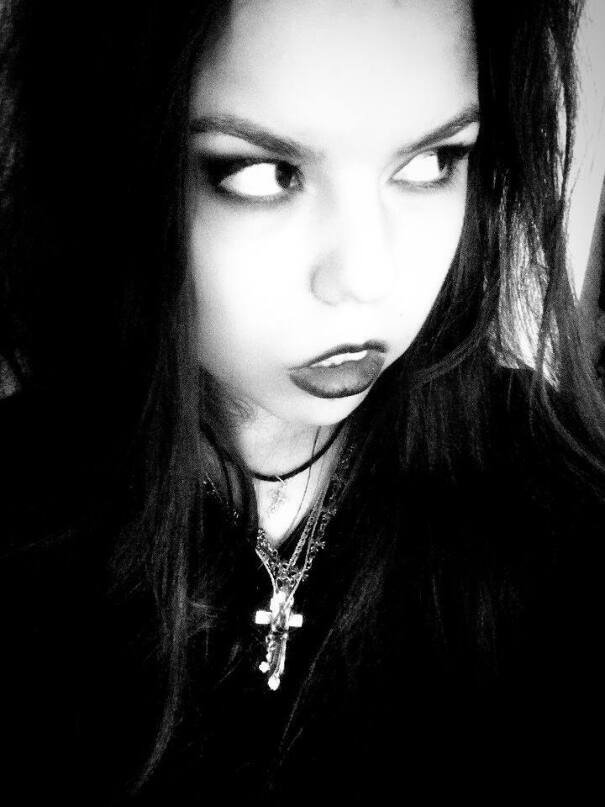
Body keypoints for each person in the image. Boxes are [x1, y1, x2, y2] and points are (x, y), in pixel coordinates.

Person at [0, 0, 603, 803]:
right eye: (261, 173)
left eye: (431, 162)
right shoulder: (24, 513)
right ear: (106, 170)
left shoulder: (549, 493)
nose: (368, 278)